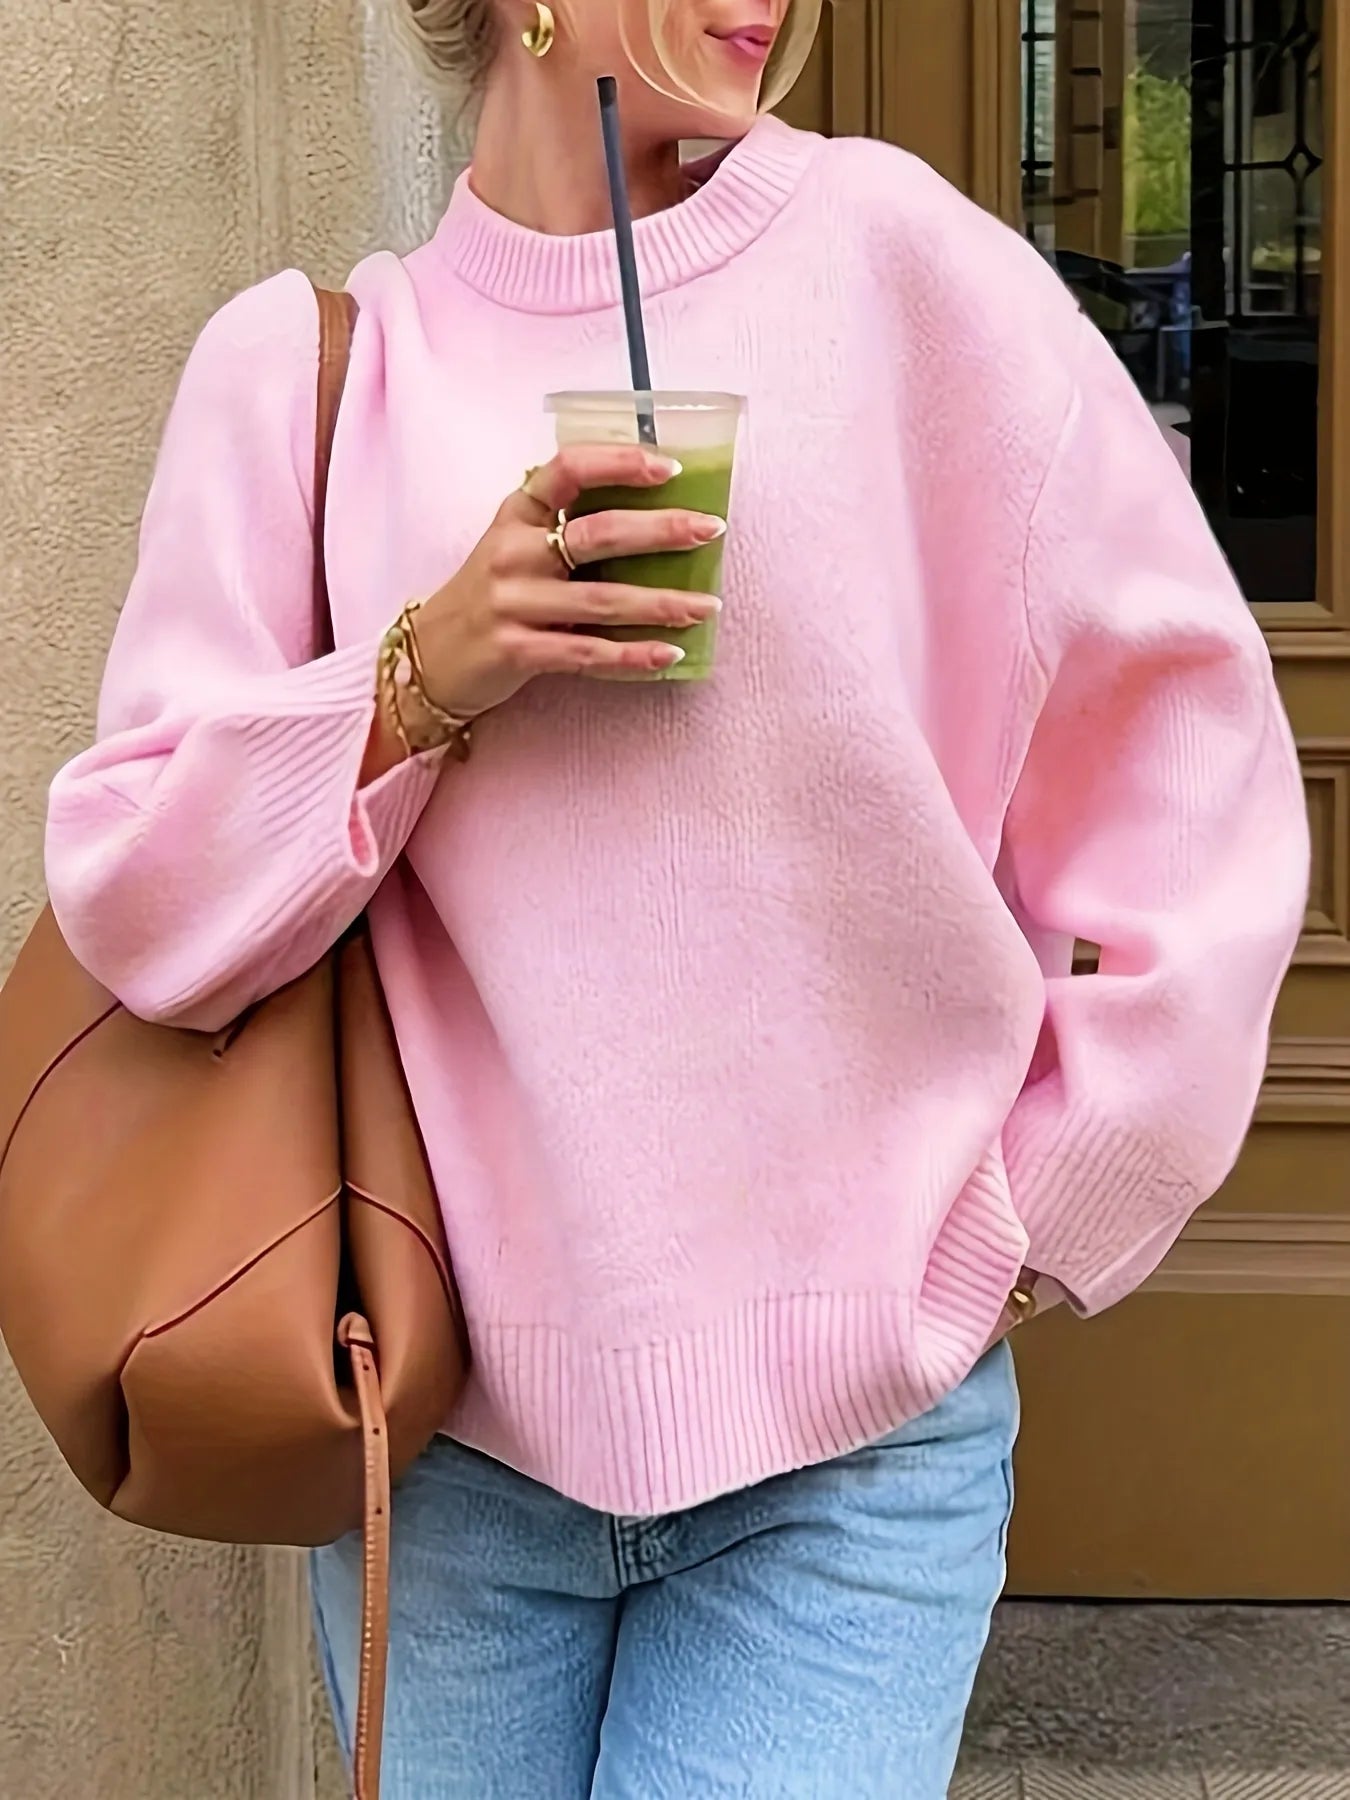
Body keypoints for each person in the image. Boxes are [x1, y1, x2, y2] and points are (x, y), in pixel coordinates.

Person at [42, 0, 1309, 1793]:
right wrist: (424, 674)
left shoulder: (905, 271)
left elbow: (1193, 759)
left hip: (851, 1458)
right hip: (443, 1441)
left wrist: (1029, 1219)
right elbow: (138, 900)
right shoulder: (314, 375)